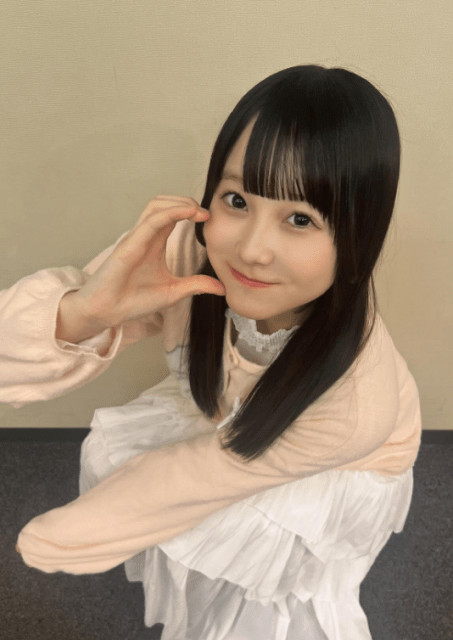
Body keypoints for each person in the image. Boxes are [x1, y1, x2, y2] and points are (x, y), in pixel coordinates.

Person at [2, 65, 421, 640]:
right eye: (237, 199)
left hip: (338, 463)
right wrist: (85, 311)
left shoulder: (356, 404)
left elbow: (205, 473)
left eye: (300, 218)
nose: (252, 250)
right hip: (231, 412)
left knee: (271, 593)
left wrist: (72, 533)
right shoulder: (182, 249)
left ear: (358, 237)